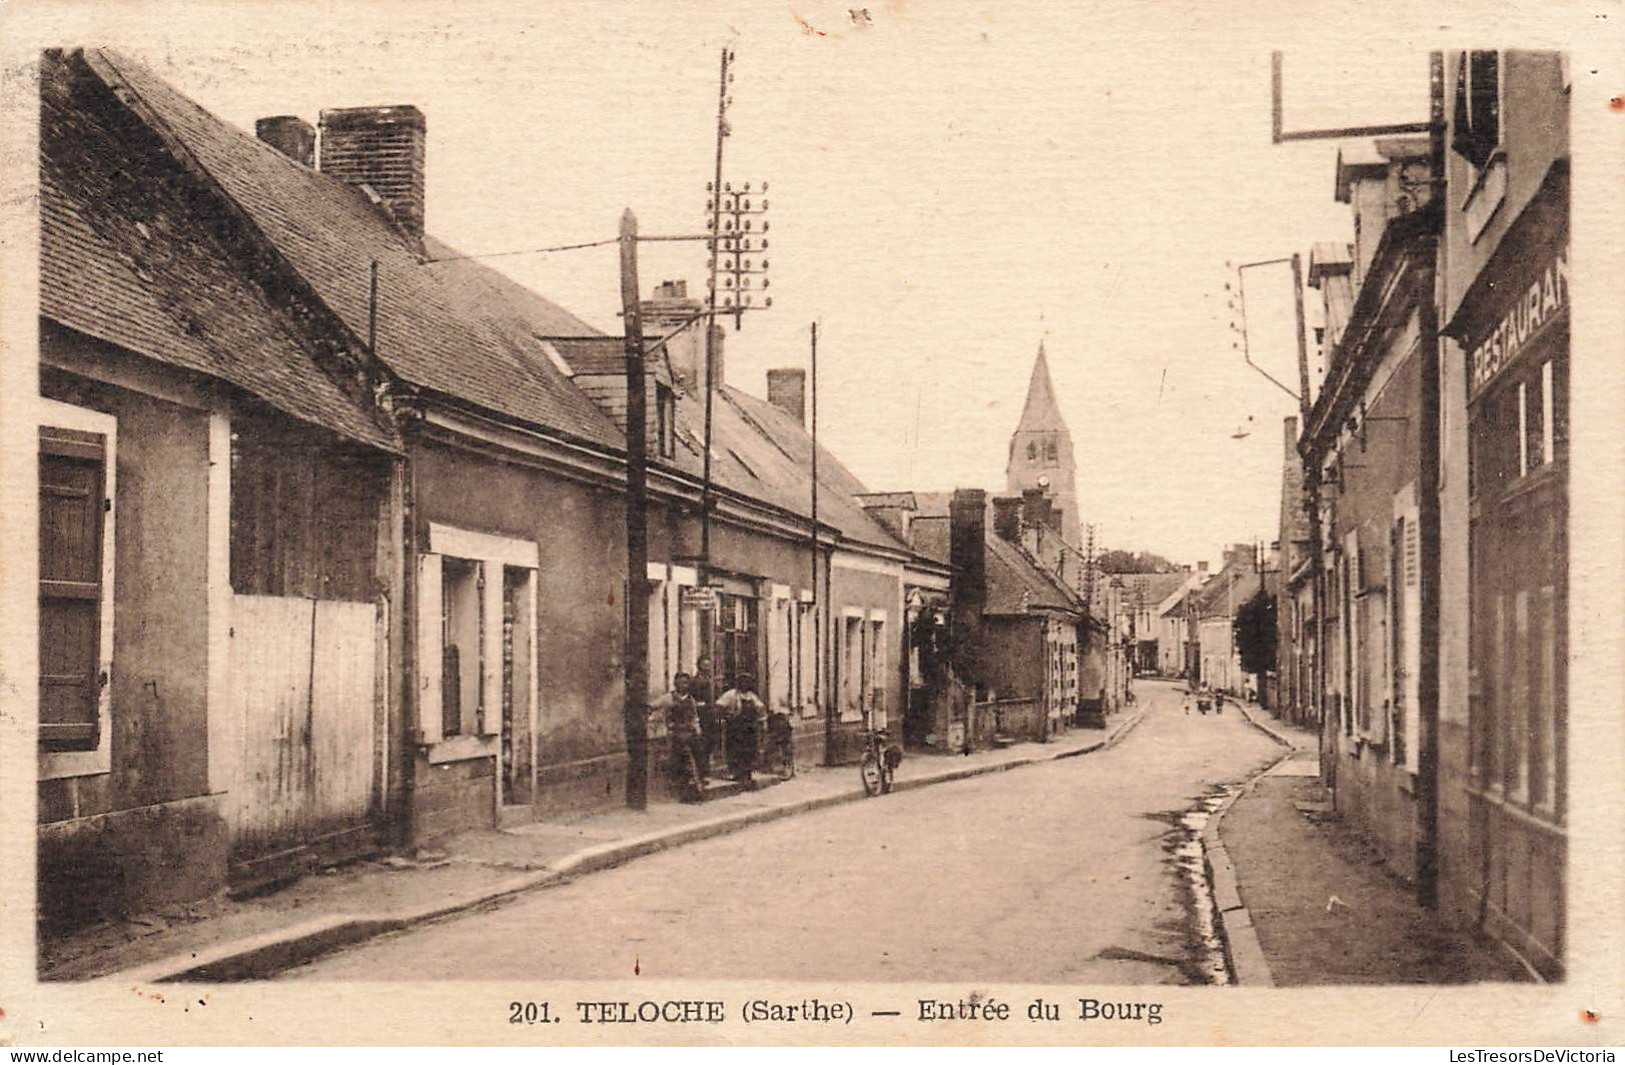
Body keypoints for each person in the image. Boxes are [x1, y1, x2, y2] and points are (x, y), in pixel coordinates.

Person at [650, 672, 703, 803]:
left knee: (693, 762)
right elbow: (653, 706)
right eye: (680, 682)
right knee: (682, 763)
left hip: (689, 734)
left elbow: (694, 717)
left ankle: (693, 792)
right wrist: (656, 721)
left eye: (685, 682)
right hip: (675, 735)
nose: (683, 685)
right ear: (675, 683)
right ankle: (685, 792)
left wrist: (697, 729)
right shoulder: (669, 698)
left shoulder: (691, 700)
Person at [717, 672, 765, 788]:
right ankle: (735, 772)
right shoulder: (731, 694)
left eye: (747, 682)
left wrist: (762, 721)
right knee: (735, 749)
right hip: (735, 728)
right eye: (743, 682)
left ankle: (747, 773)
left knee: (749, 750)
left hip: (749, 728)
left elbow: (760, 708)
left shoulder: (751, 696)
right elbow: (719, 705)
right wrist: (726, 716)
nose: (745, 684)